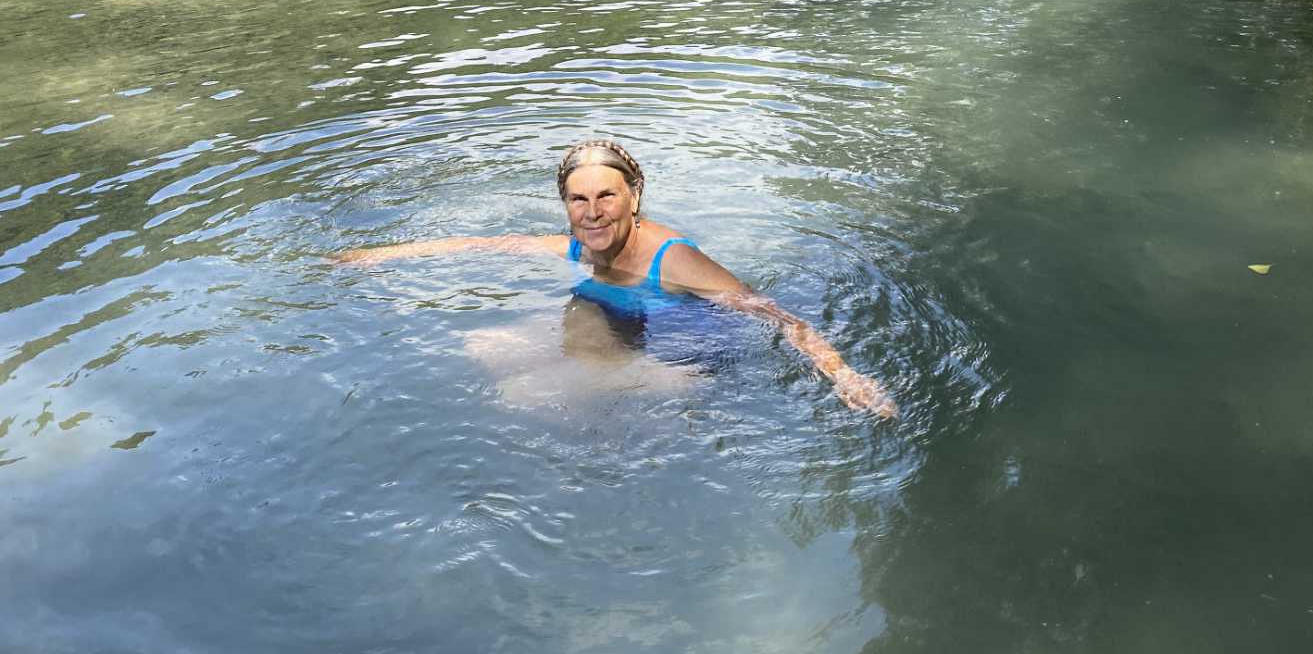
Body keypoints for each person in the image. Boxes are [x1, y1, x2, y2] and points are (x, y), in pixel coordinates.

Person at [334, 137, 897, 417]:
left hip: (690, 359)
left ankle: (625, 437)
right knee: (483, 343)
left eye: (607, 195)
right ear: (565, 204)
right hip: (622, 334)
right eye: (578, 199)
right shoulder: (581, 248)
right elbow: (494, 242)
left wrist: (844, 376)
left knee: (520, 394)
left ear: (634, 197)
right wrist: (382, 255)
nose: (593, 210)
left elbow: (775, 313)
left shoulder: (672, 257)